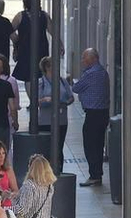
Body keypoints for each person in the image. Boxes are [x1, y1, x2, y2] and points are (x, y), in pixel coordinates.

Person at [72, 48, 110, 186]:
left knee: (90, 145)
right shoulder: (103, 72)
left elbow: (76, 88)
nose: (82, 61)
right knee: (98, 145)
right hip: (103, 113)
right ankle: (97, 174)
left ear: (93, 59)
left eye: (85, 58)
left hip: (93, 114)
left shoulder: (91, 74)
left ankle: (94, 175)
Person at [36, 56, 73, 167]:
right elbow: (36, 101)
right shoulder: (41, 82)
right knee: (47, 148)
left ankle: (58, 171)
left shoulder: (62, 81)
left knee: (58, 147)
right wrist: (45, 100)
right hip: (46, 120)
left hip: (61, 119)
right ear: (47, 67)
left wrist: (65, 101)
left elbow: (71, 97)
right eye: (54, 65)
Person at [11, 0, 50, 85]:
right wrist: (59, 43)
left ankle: (32, 98)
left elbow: (10, 31)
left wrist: (17, 41)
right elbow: (53, 31)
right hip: (41, 48)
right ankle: (37, 97)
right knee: (41, 73)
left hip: (25, 49)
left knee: (27, 76)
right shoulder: (44, 16)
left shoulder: (20, 16)